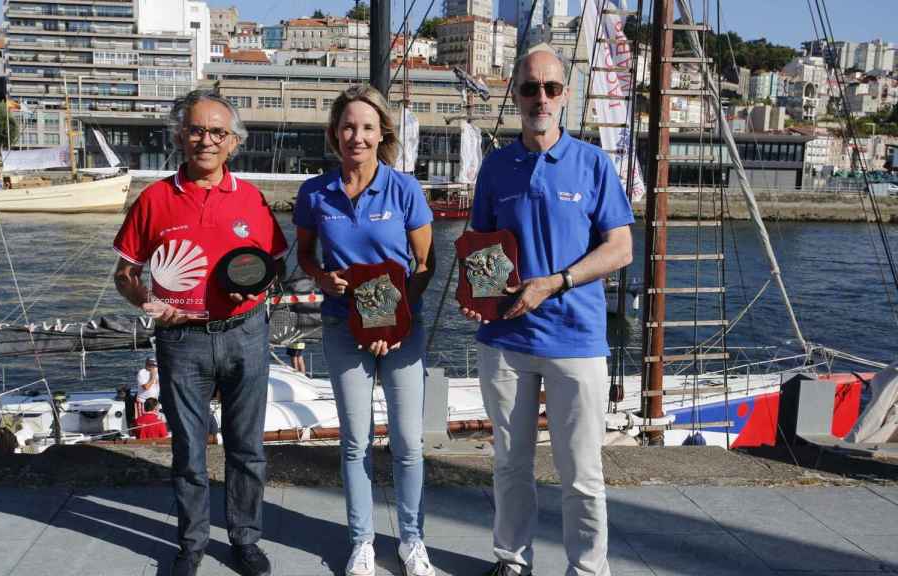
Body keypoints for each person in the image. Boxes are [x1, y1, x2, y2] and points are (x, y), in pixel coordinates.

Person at [461, 45, 634, 576]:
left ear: (565, 95)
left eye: (551, 88)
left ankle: (588, 570)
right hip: (505, 340)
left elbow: (621, 248)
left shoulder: (593, 163)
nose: (541, 97)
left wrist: (557, 282)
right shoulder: (496, 166)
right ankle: (512, 561)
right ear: (515, 94)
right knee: (510, 465)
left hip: (576, 340)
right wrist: (477, 296)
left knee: (582, 472)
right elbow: (480, 246)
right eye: (531, 87)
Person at [113, 87, 287, 576]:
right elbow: (125, 274)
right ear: (179, 136)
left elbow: (274, 264)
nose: (206, 140)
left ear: (234, 142)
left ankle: (245, 539)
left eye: (217, 132)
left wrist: (256, 286)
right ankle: (191, 543)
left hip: (246, 334)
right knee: (188, 450)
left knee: (247, 448)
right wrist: (147, 302)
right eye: (195, 130)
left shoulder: (252, 199)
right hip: (180, 340)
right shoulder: (154, 199)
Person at [293, 85, 436, 576]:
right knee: (355, 442)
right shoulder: (315, 193)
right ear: (335, 133)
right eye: (349, 127)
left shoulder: (404, 190)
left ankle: (413, 540)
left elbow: (425, 265)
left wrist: (392, 321)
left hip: (402, 329)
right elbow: (305, 254)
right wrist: (319, 276)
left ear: (382, 134)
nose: (357, 136)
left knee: (408, 443)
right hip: (341, 325)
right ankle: (362, 541)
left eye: (367, 127)